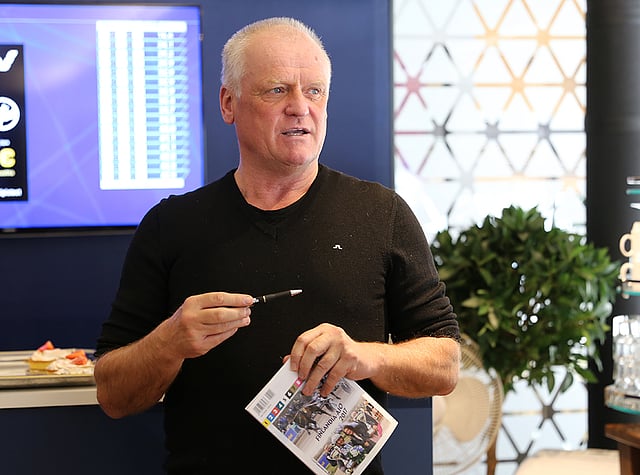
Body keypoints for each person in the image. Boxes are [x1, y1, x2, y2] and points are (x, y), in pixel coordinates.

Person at [94, 16, 460, 475]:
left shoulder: (382, 213)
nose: (300, 107)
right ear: (229, 103)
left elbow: (445, 364)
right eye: (277, 90)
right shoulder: (171, 225)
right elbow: (113, 395)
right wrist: (170, 342)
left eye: (315, 91)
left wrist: (366, 356)